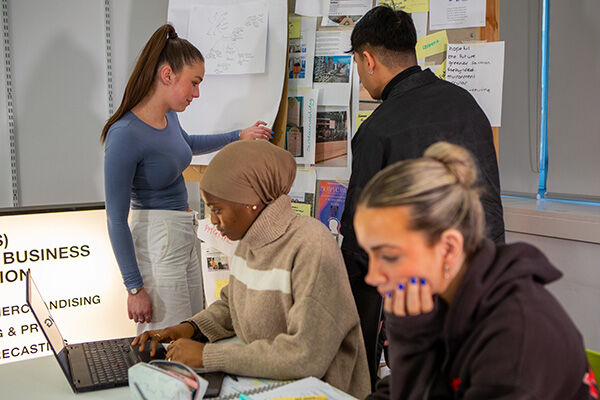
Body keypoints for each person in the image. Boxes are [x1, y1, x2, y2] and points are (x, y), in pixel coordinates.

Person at [354, 141, 597, 399]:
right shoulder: (439, 295)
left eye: (389, 256)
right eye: (371, 254)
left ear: (448, 248)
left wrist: (413, 348)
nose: (372, 275)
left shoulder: (515, 335)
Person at [341, 6, 505, 387]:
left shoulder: (378, 129)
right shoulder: (467, 106)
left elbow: (360, 245)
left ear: (368, 59)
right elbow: (489, 206)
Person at [132, 140, 370, 398]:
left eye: (217, 209)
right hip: (270, 383)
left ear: (252, 203)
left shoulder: (312, 245)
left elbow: (305, 355)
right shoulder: (249, 240)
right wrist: (190, 328)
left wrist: (208, 356)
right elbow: (231, 305)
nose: (212, 220)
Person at [102, 24, 273, 333]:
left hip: (181, 235)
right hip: (157, 241)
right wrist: (134, 287)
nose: (197, 93)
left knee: (192, 329)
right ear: (167, 75)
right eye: (194, 83)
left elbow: (186, 145)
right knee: (167, 342)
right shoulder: (124, 135)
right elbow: (115, 219)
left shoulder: (169, 116)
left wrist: (240, 135)